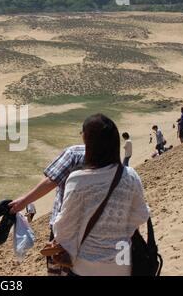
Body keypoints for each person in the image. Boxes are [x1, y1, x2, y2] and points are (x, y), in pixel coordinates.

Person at [53, 114, 150, 276]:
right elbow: (141, 215)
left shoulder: (78, 180)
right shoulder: (131, 176)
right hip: (122, 263)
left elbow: (65, 226)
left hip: (85, 265)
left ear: (88, 142)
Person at [9, 144, 85, 274]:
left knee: (57, 268)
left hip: (64, 225)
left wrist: (24, 201)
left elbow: (51, 181)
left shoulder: (74, 153)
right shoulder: (110, 154)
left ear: (85, 135)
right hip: (94, 225)